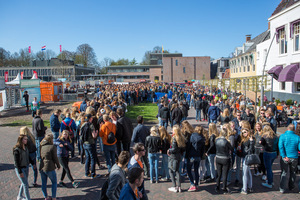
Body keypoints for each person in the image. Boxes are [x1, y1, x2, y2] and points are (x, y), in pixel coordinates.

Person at [278, 124, 300, 193]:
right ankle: (291, 186)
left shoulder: (282, 136)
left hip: (285, 157)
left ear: (287, 128)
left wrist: (284, 156)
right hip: (294, 157)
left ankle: (282, 188)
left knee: (284, 172)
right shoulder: (297, 137)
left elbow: (280, 147)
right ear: (294, 129)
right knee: (293, 172)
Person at [39, 133, 60, 200]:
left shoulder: (41, 145)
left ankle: (46, 196)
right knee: (54, 182)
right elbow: (55, 158)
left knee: (44, 183)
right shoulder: (52, 147)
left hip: (42, 166)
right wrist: (58, 165)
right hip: (49, 166)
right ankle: (54, 197)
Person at [186, 126, 205, 192]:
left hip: (191, 155)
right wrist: (201, 155)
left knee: (189, 169)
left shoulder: (192, 136)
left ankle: (192, 183)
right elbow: (203, 149)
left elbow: (189, 146)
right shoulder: (202, 138)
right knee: (196, 170)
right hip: (198, 156)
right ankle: (196, 183)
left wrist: (187, 154)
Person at [81, 114, 100, 178]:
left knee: (87, 158)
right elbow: (94, 136)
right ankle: (93, 173)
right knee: (93, 158)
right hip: (90, 143)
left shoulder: (83, 125)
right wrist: (97, 132)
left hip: (84, 143)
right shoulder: (91, 125)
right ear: (90, 119)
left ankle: (87, 172)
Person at [168, 125, 186, 193]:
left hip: (173, 157)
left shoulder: (174, 138)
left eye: (173, 130)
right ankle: (179, 186)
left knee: (171, 170)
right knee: (177, 171)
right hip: (179, 156)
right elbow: (183, 148)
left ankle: (174, 185)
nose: (172, 131)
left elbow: (174, 149)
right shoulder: (181, 137)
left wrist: (169, 150)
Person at [215, 128, 233, 194]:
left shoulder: (217, 140)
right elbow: (231, 148)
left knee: (219, 173)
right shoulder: (226, 141)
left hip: (218, 157)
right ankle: (224, 188)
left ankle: (217, 186)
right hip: (225, 158)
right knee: (225, 174)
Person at [13, 134, 31, 200]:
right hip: (20, 169)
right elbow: (16, 162)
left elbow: (28, 156)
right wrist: (20, 172)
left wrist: (32, 163)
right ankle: (28, 198)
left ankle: (19, 196)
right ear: (21, 140)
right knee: (25, 184)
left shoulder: (25, 147)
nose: (26, 140)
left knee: (24, 183)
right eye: (25, 139)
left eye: (26, 139)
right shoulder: (16, 150)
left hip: (26, 167)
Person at [240, 128, 255, 195]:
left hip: (247, 157)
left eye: (245, 132)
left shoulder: (250, 139)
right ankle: (250, 186)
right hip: (244, 156)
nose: (244, 134)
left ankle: (244, 188)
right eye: (242, 133)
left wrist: (251, 142)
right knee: (248, 172)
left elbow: (251, 149)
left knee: (245, 173)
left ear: (248, 132)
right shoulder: (244, 139)